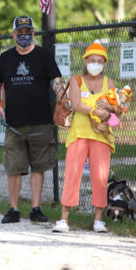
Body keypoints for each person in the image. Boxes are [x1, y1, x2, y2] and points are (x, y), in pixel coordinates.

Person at [0, 16, 64, 224]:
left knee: (38, 167)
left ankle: (35, 208)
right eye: (20, 32)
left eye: (28, 32)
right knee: (13, 168)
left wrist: (62, 98)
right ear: (14, 35)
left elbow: (55, 82)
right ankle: (13, 209)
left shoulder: (44, 56)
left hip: (40, 121)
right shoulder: (6, 58)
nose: (24, 36)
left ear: (33, 33)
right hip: (14, 123)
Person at [52, 41, 114, 233]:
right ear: (85, 60)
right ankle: (64, 219)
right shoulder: (76, 79)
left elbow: (114, 109)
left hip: (101, 136)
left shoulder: (109, 83)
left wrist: (110, 110)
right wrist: (99, 110)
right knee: (72, 174)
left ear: (104, 63)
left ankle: (98, 220)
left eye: (99, 61)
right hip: (79, 134)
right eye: (92, 60)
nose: (95, 63)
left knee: (100, 177)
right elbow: (77, 104)